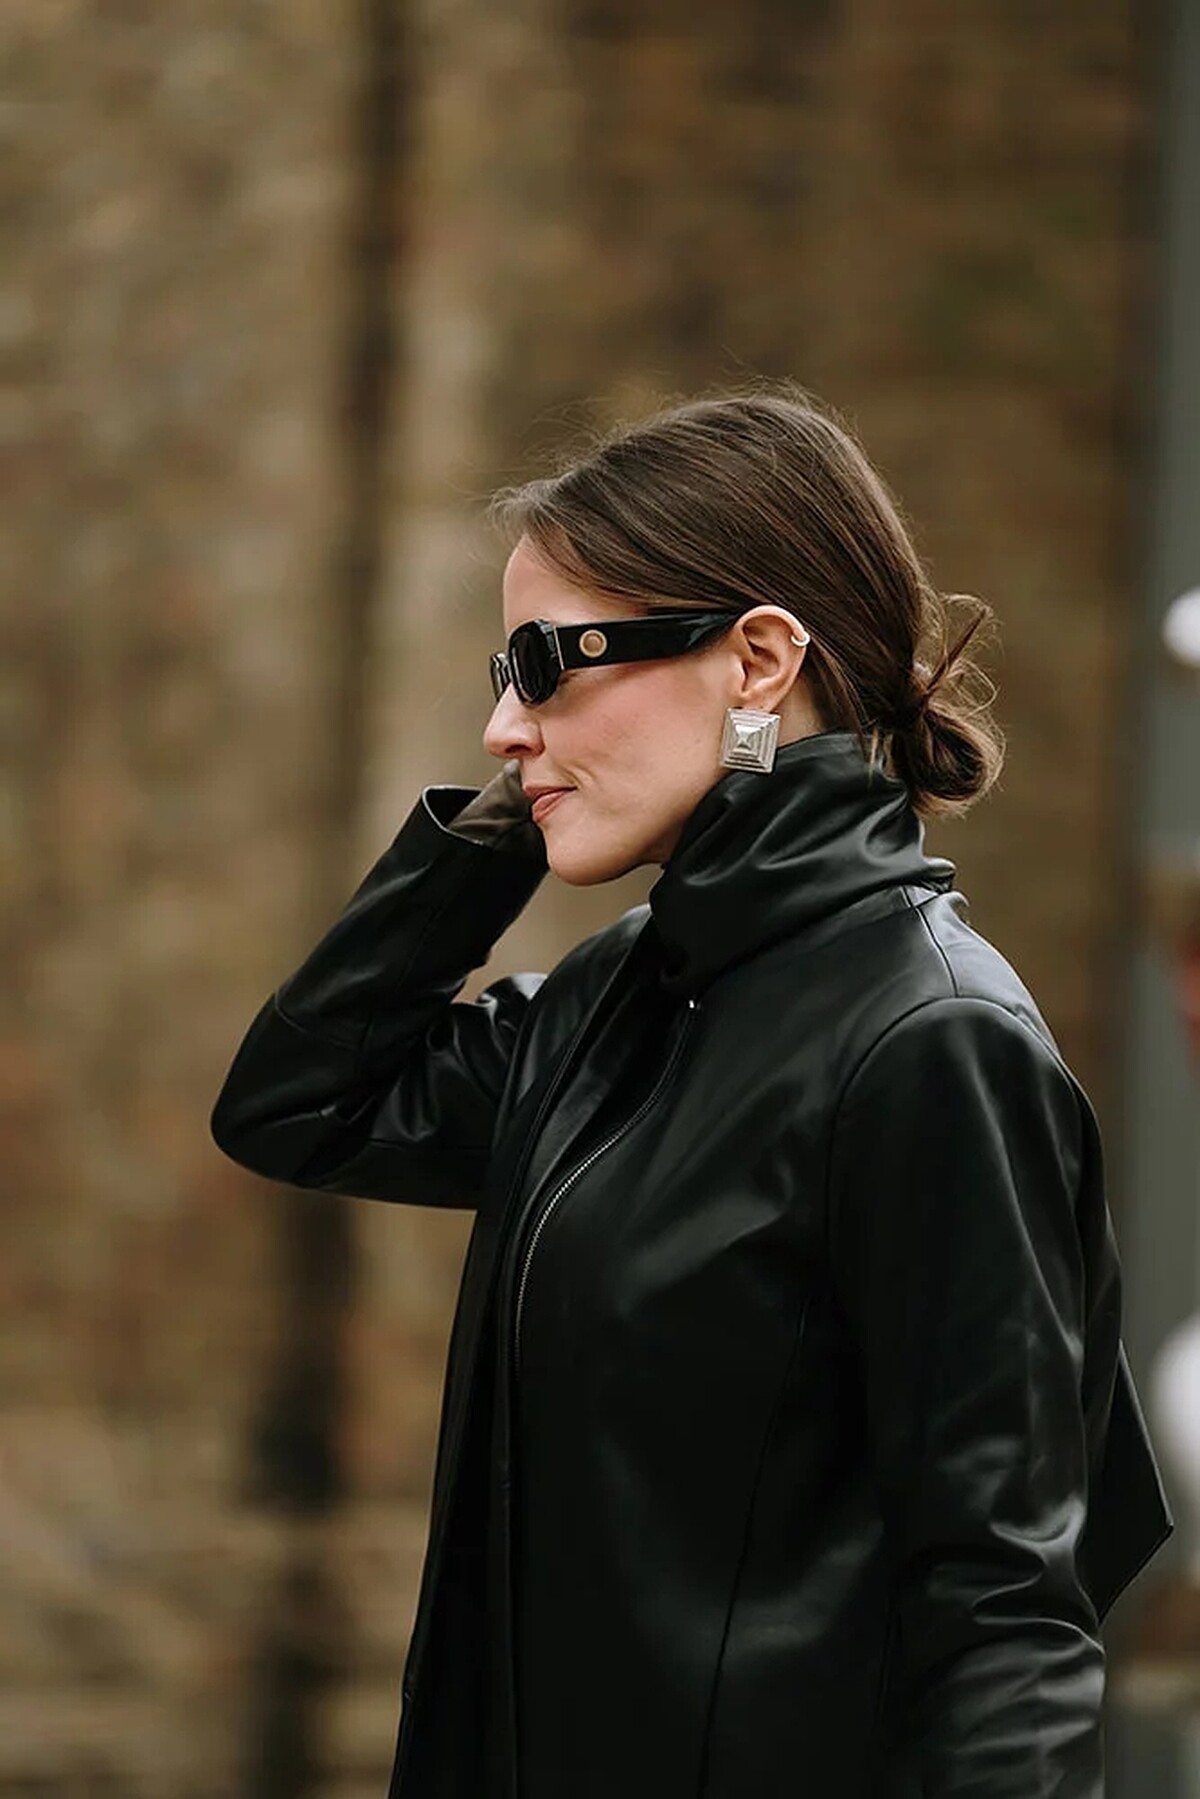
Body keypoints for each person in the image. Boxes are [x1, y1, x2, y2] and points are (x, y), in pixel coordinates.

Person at [211, 390, 1172, 1799]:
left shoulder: (933, 1041)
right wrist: (522, 813)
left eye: (546, 663)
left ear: (759, 659)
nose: (499, 724)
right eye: (501, 672)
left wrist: (574, 775)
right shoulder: (618, 1000)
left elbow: (1005, 1604)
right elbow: (302, 1103)